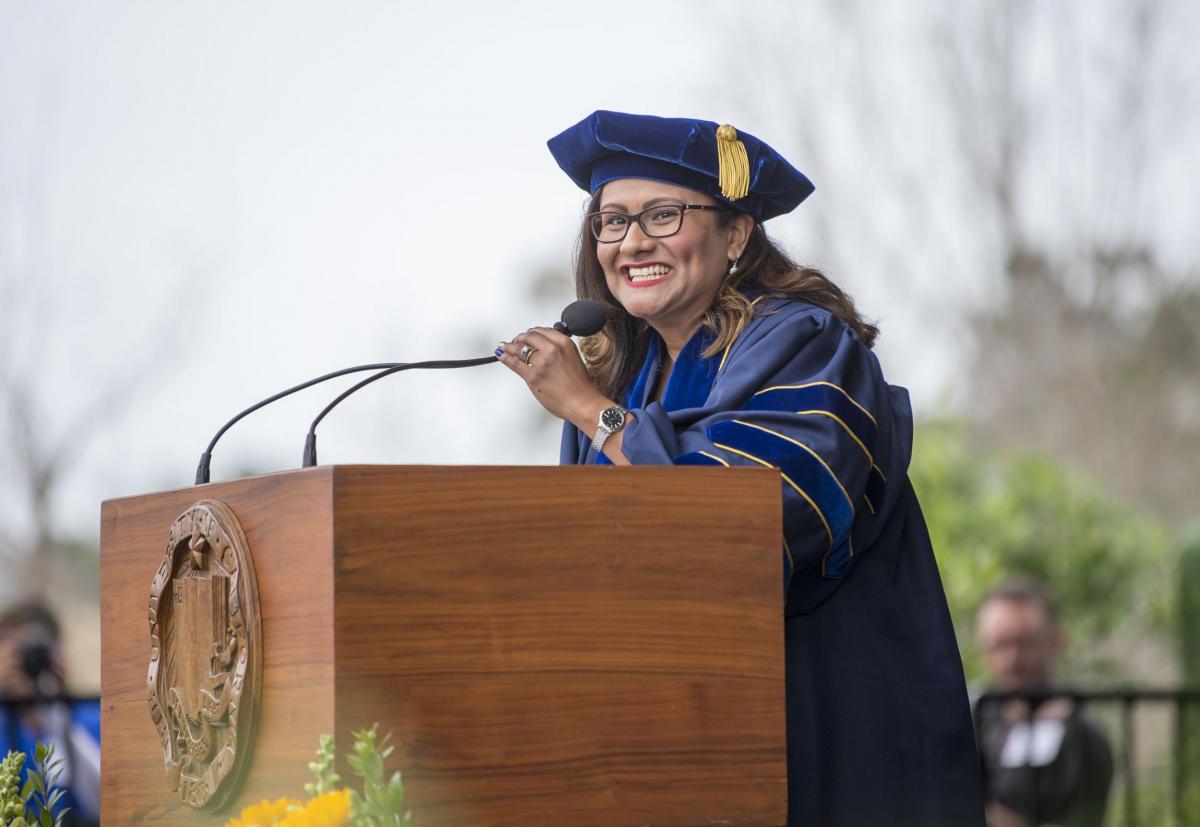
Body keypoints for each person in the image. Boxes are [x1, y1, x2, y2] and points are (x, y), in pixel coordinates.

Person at [495, 110, 985, 825]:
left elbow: (748, 512)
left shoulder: (805, 342)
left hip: (823, 718)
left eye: (663, 215)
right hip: (669, 737)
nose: (632, 242)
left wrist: (592, 413)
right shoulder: (625, 376)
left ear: (736, 232)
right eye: (611, 221)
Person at [974, 579, 1113, 827]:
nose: (1012, 660)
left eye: (1025, 643)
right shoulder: (975, 722)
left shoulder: (1082, 735)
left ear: (1057, 641)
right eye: (1000, 645)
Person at [0, 600, 101, 826]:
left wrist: (56, 718)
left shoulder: (88, 717)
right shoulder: (3, 721)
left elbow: (108, 800)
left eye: (37, 649)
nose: (27, 660)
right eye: (17, 650)